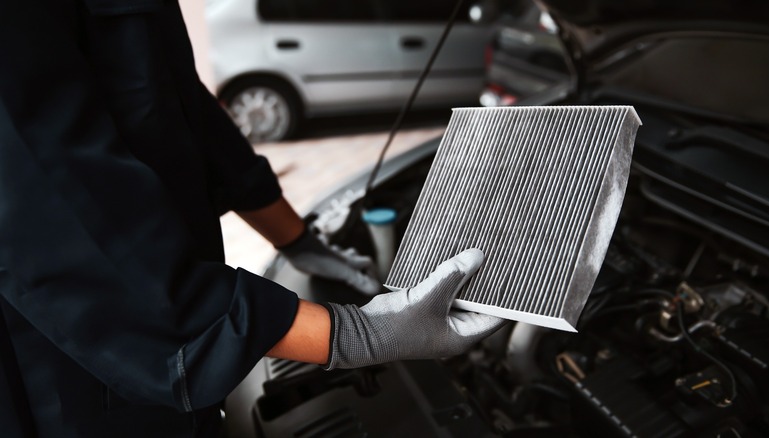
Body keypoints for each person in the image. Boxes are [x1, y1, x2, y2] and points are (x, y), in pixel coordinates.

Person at [0, 1, 504, 436]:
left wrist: (298, 239)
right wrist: (357, 335)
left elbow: (173, 104)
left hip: (166, 352)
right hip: (75, 373)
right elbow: (47, 204)